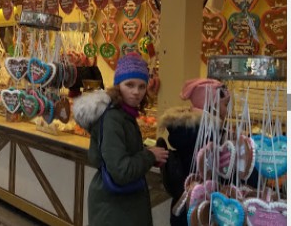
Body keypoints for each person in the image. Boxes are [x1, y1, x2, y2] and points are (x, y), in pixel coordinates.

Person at [73, 52, 168, 226]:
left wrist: (145, 154)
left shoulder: (123, 114)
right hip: (115, 209)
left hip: (119, 206)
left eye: (141, 86)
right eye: (129, 85)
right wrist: (149, 156)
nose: (136, 92)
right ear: (118, 86)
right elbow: (121, 171)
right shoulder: (113, 118)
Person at [156, 79, 231, 226]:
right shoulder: (206, 137)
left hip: (182, 205)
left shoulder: (187, 132)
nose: (227, 110)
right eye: (225, 104)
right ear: (212, 106)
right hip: (199, 209)